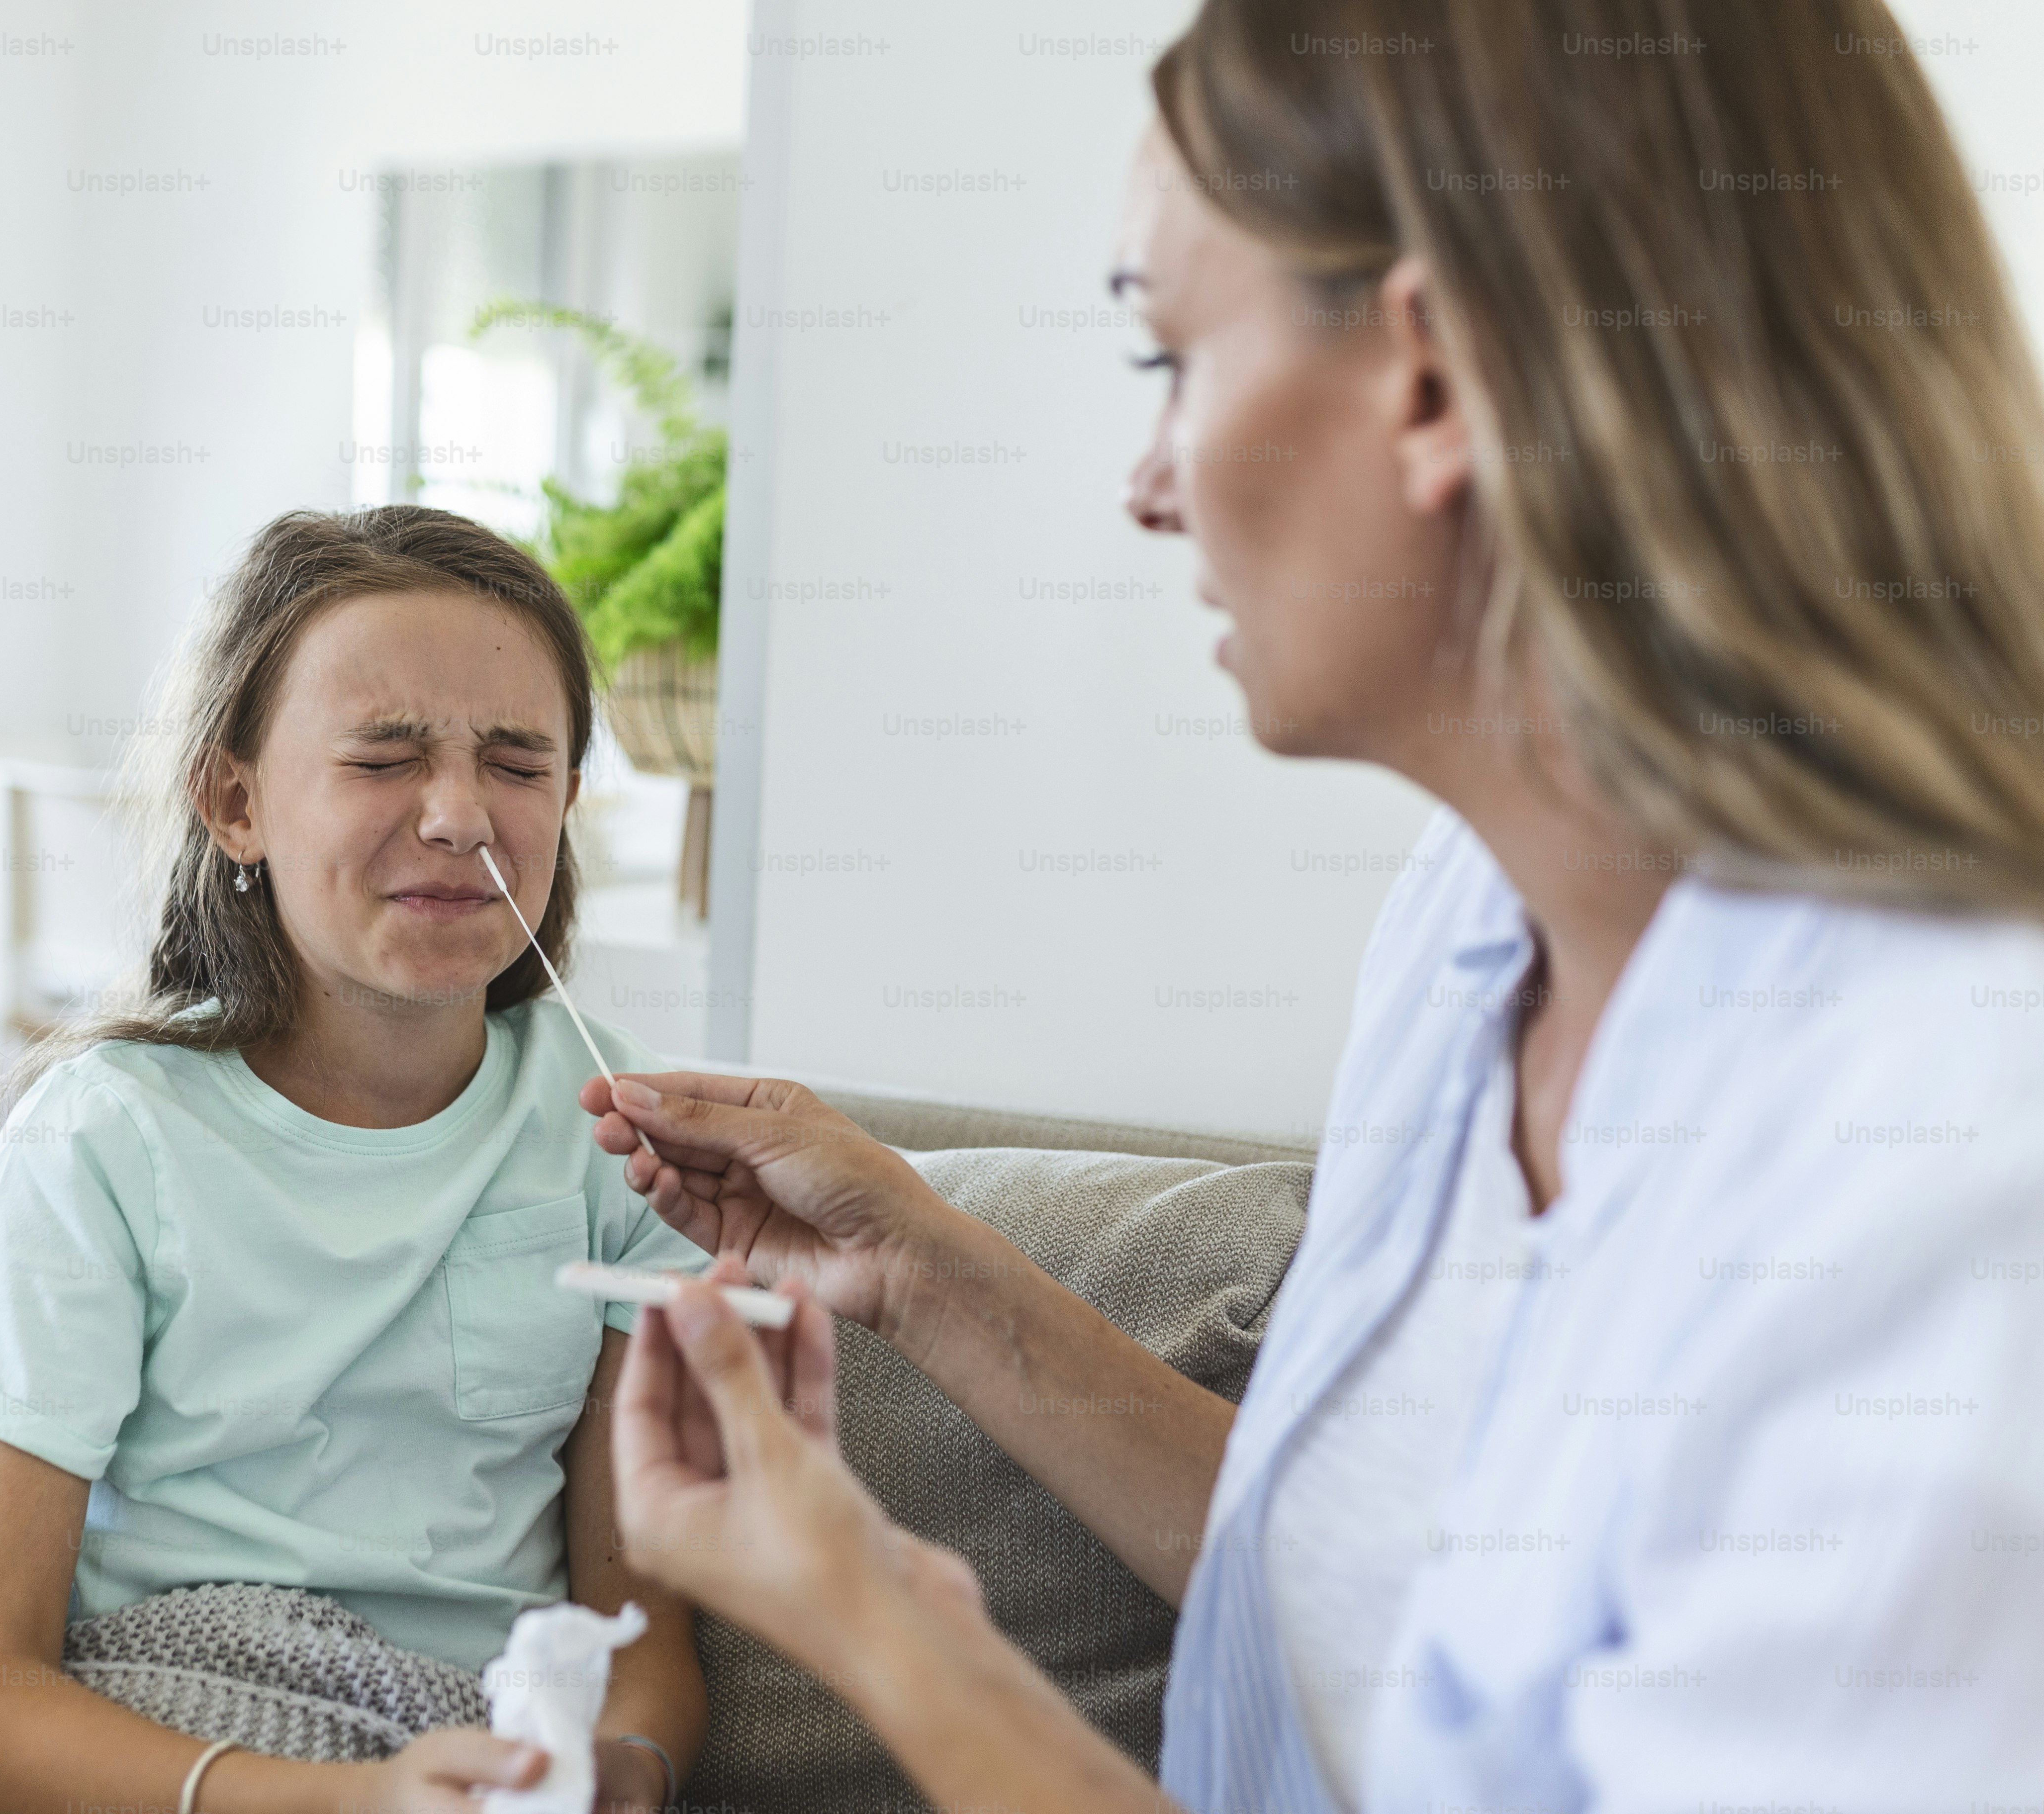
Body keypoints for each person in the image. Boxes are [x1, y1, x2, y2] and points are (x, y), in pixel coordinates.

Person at [582, 2, 2044, 1810]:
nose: (1145, 486)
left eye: (1167, 359)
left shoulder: (1940, 1170)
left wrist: (886, 1627)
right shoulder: (1467, 934)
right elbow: (1362, 1596)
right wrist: (919, 1265)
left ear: (1432, 374)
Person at [0, 507, 709, 1814]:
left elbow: (643, 1645)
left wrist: (608, 1777)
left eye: (518, 762)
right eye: (384, 758)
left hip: (479, 1744)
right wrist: (348, 1802)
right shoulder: (106, 1136)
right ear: (234, 802)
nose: (458, 816)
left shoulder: (619, 1129)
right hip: (174, 1730)